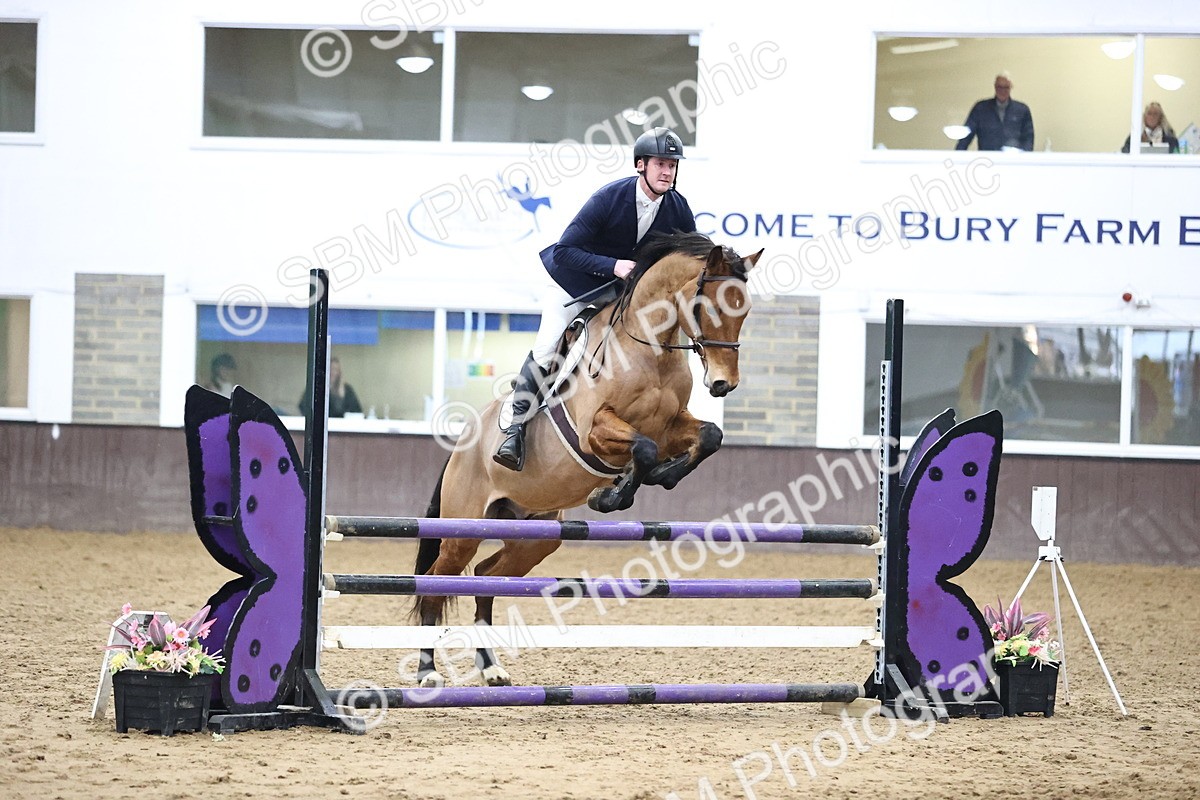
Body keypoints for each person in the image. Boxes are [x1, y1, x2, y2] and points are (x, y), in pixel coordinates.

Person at [493, 126, 697, 471]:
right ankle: (515, 429)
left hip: (620, 299)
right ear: (640, 165)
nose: (667, 172)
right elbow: (564, 251)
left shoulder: (677, 207)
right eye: (661, 164)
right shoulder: (609, 198)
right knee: (546, 349)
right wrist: (613, 265)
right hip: (575, 286)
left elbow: (693, 254)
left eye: (672, 165)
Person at [955, 73, 1034, 152]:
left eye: (1006, 87)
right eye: (999, 87)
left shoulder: (1022, 110)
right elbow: (966, 134)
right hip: (987, 160)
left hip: (1013, 160)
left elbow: (1028, 138)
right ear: (995, 87)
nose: (1003, 90)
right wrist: (957, 156)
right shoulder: (981, 108)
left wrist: (1025, 159)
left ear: (1011, 88)